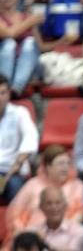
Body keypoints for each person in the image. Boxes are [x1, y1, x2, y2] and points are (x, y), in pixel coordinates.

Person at [3, 146, 83, 251]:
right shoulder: (32, 184)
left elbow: (79, 214)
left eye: (67, 163)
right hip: (30, 237)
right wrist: (24, 235)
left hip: (64, 238)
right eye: (60, 163)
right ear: (47, 167)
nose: (65, 168)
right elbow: (16, 214)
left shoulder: (77, 185)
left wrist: (56, 235)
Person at [30, 187, 83, 251]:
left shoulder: (79, 230)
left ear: (65, 206)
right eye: (49, 203)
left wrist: (44, 244)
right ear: (41, 207)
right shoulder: (32, 230)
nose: (54, 207)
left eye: (58, 203)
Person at [0, 0, 44, 97]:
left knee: (30, 42)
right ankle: (7, 87)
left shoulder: (27, 17)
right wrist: (30, 21)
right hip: (3, 67)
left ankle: (14, 89)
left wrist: (63, 41)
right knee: (9, 43)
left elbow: (41, 47)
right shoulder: (29, 18)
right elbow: (10, 34)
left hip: (27, 66)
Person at [0, 72, 38, 202]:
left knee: (15, 188)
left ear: (9, 93)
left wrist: (18, 163)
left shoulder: (20, 113)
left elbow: (31, 137)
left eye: (3, 92)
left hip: (13, 172)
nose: (0, 97)